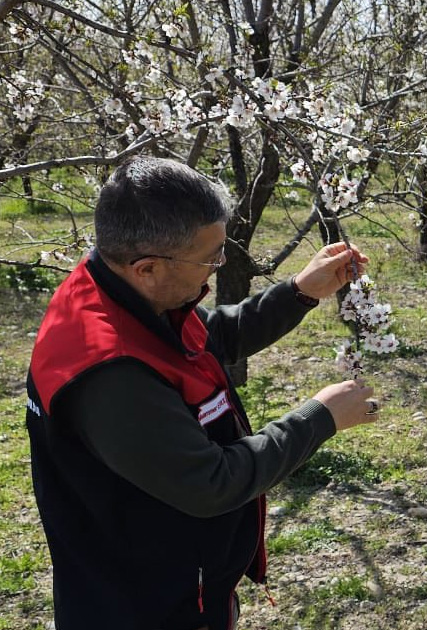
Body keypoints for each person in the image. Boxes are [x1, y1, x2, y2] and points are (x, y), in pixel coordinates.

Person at [25, 156, 380, 629]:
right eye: (210, 257)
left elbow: (205, 337)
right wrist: (321, 417)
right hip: (144, 605)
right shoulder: (111, 375)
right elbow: (211, 482)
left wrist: (299, 291)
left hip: (179, 580)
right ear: (147, 267)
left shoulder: (120, 292)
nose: (221, 265)